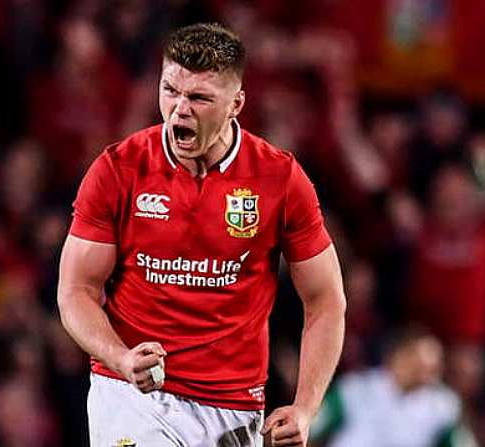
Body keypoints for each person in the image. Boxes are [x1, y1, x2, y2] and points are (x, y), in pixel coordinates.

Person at [57, 23, 346, 446]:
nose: (179, 110)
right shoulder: (118, 170)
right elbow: (75, 290)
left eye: (198, 98)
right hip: (134, 394)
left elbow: (325, 301)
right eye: (170, 90)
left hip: (233, 408)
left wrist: (305, 407)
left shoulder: (279, 179)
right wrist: (120, 357)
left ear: (236, 104)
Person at [309, 326, 473, 447]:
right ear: (398, 356)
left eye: (433, 368)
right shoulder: (355, 389)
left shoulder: (442, 406)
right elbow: (311, 432)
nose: (427, 373)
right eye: (419, 365)